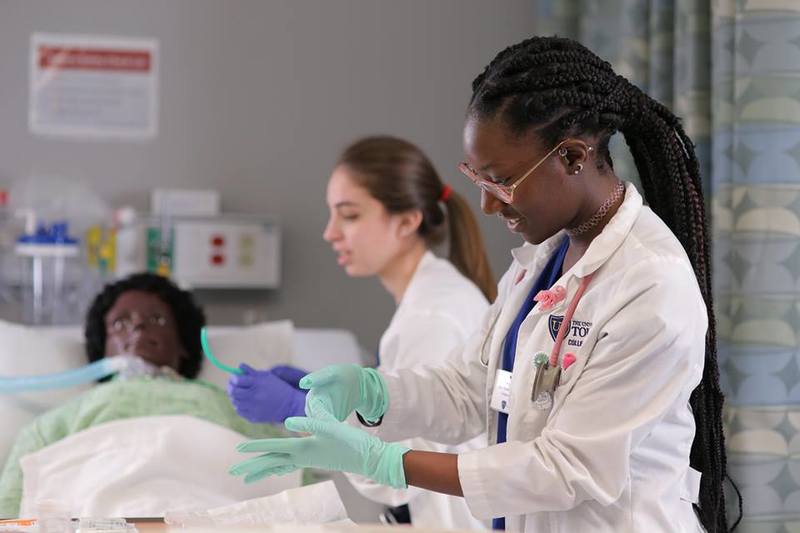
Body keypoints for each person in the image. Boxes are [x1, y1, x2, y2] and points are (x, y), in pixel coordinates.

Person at [229, 36, 743, 532]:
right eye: (477, 178)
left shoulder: (651, 285)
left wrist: (389, 463)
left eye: (502, 181)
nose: (488, 204)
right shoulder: (543, 260)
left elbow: (567, 468)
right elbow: (472, 390)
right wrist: (373, 393)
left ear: (571, 157)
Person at [227, 135, 494, 528]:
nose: (330, 233)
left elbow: (402, 475)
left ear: (407, 221)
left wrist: (303, 410)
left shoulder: (432, 317)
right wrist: (335, 399)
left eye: (349, 216)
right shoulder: (432, 296)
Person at [0, 273, 284, 517]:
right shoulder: (60, 420)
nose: (138, 326)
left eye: (157, 319)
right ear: (102, 347)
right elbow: (12, 506)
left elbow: (291, 473)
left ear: (183, 343)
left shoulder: (228, 406)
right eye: (120, 323)